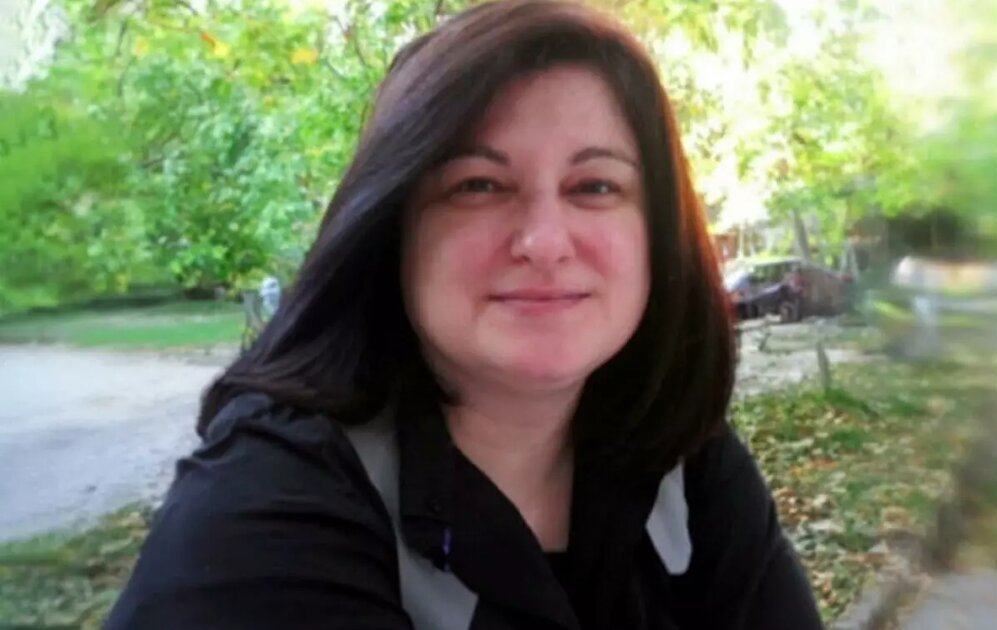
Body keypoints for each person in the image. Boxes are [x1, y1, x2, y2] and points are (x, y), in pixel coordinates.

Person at [105, 1, 825, 628]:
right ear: (393, 225)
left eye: (595, 186)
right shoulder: (263, 508)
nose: (544, 241)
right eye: (478, 185)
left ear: (656, 235)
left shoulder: (684, 461)